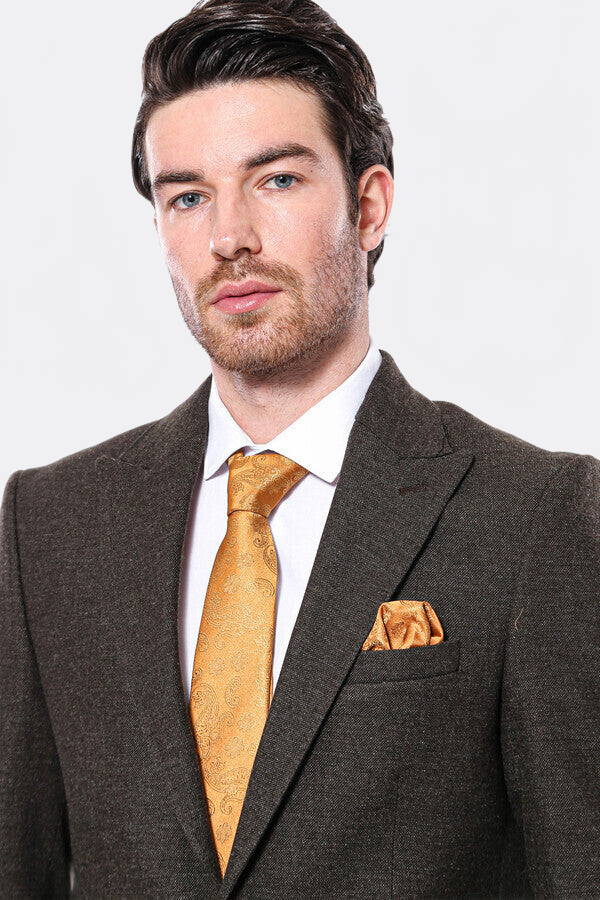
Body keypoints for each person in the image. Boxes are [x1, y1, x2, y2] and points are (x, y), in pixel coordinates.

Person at [1, 0, 598, 896]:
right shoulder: (51, 523)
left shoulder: (533, 517)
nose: (228, 237)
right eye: (187, 196)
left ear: (369, 205)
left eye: (276, 180)